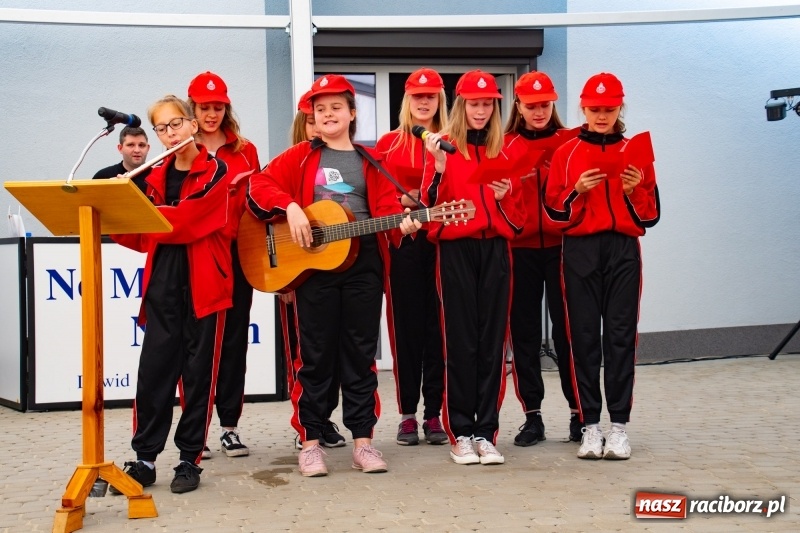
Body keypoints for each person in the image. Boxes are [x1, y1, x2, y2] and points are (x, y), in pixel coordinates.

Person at [246, 75, 421, 477]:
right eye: (320, 108)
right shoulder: (300, 157)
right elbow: (258, 186)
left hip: (363, 266)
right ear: (312, 115)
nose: (328, 114)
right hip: (315, 267)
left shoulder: (371, 159)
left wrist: (404, 226)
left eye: (336, 107)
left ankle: (363, 441)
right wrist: (289, 206)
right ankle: (310, 442)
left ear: (352, 113)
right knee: (316, 356)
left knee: (360, 355)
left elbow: (385, 212)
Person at [110, 94, 232, 493]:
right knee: (154, 374)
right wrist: (114, 205)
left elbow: (191, 220)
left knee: (197, 378)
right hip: (163, 281)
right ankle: (145, 459)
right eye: (161, 128)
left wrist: (140, 211)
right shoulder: (153, 176)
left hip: (205, 285)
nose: (169, 133)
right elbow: (134, 235)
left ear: (194, 124)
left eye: (176, 123)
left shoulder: (217, 170)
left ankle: (188, 460)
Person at [544, 72, 661, 460]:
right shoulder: (567, 152)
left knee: (621, 336)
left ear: (619, 108)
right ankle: (590, 427)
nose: (601, 115)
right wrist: (577, 192)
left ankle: (619, 428)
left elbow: (652, 215)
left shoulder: (635, 151)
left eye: (609, 109)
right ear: (583, 108)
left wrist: (633, 191)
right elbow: (553, 212)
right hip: (579, 249)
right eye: (594, 109)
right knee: (583, 338)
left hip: (623, 248)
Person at [419, 70, 526, 465]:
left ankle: (487, 433)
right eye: (474, 104)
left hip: (496, 250)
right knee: (460, 343)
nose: (480, 111)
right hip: (456, 252)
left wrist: (505, 196)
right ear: (461, 106)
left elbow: (519, 220)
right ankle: (460, 432)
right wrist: (439, 167)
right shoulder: (444, 150)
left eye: (487, 104)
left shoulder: (506, 152)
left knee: (492, 344)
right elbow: (427, 205)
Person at [503, 71, 581, 446]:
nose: (538, 111)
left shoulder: (571, 142)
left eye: (545, 104)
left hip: (563, 247)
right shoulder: (503, 144)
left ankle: (579, 413)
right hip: (519, 249)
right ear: (518, 105)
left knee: (569, 331)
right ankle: (531, 416)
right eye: (531, 105)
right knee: (524, 333)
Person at [186, 71, 260, 459]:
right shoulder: (182, 147)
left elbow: (258, 202)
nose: (211, 114)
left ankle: (229, 427)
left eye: (217, 107)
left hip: (236, 253)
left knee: (233, 341)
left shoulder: (245, 149)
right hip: (197, 253)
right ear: (192, 108)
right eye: (204, 107)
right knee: (196, 343)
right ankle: (193, 429)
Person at [375, 67, 448, 446]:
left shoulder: (452, 141)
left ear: (440, 100)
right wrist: (398, 206)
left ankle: (434, 412)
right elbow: (376, 193)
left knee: (438, 330)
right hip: (402, 244)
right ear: (407, 100)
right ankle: (406, 413)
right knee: (406, 329)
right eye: (417, 96)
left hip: (441, 243)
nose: (424, 102)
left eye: (430, 96)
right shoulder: (388, 143)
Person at [285, 90, 346, 450]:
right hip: (300, 268)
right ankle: (305, 422)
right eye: (311, 118)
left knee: (338, 352)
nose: (318, 124)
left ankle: (324, 419)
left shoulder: (339, 161)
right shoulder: (296, 162)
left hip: (338, 262)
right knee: (309, 354)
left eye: (326, 114)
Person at [93, 126, 151, 192]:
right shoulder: (103, 177)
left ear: (148, 148)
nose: (137, 150)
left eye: (141, 145)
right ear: (120, 148)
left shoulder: (160, 177)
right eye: (131, 145)